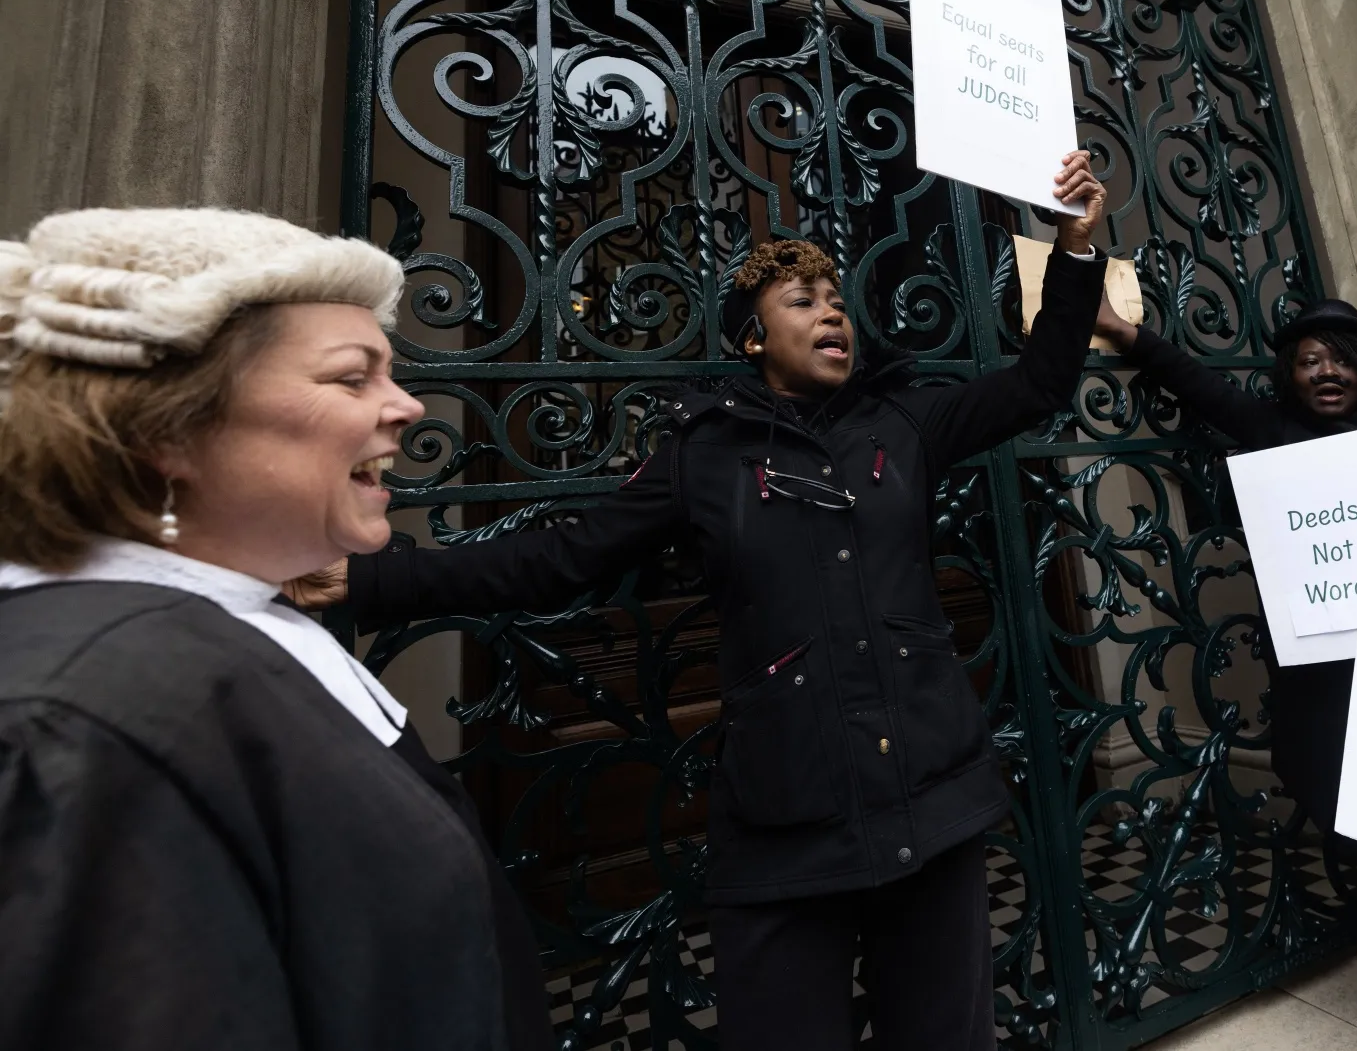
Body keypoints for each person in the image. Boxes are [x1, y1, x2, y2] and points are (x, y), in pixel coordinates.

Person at [293, 152, 1109, 1051]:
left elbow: (1039, 383)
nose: (831, 309)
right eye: (801, 300)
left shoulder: (905, 422)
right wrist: (375, 578)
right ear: (753, 338)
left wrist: (1073, 250)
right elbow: (560, 560)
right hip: (788, 817)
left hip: (931, 792)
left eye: (835, 297)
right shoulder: (702, 456)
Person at [0, 209, 553, 1049]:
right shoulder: (88, 711)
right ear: (167, 430)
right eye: (350, 378)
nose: (404, 406)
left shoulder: (226, 627)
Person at [1094, 298, 1357, 1051]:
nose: (1325, 372)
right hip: (1320, 691)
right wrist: (1125, 333)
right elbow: (1199, 386)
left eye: (1339, 357)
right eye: (1309, 360)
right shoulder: (1274, 436)